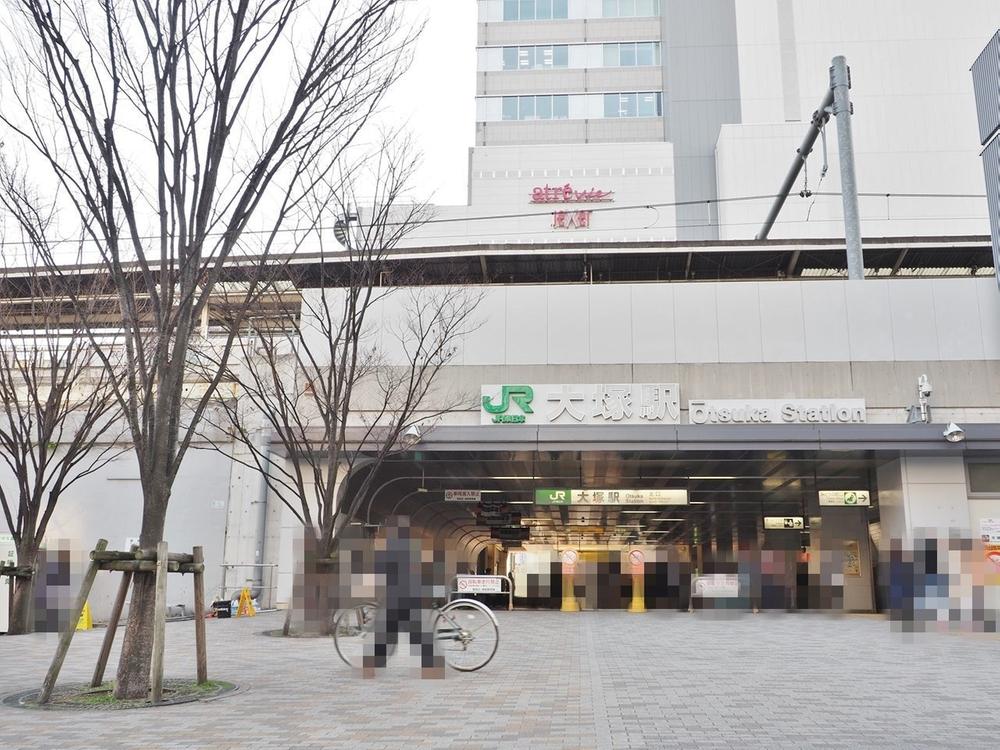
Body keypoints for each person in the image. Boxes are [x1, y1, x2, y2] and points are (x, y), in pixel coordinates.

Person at [364, 516, 445, 678]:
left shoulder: (387, 549)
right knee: (418, 633)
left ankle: (371, 666)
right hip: (413, 597)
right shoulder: (413, 547)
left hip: (395, 599)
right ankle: (431, 667)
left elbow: (380, 573)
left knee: (385, 634)